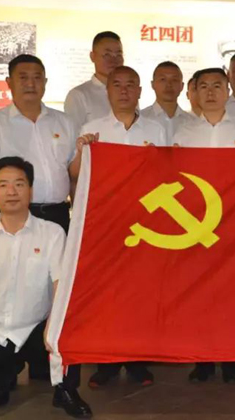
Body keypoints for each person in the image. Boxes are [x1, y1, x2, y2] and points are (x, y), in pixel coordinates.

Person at [0, 157, 91, 418]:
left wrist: (53, 328)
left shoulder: (52, 233)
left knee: (69, 332)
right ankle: (1, 378)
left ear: (30, 191)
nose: (11, 191)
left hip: (38, 328)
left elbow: (61, 286)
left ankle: (65, 390)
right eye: (3, 185)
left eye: (19, 184)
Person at [70, 65, 163, 389]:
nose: (124, 91)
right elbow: (76, 174)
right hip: (105, 222)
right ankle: (106, 362)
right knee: (106, 293)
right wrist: (82, 150)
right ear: (107, 91)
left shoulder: (156, 130)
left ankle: (137, 359)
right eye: (117, 85)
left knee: (139, 292)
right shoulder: (92, 128)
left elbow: (168, 174)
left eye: (130, 85)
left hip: (146, 223)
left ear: (140, 92)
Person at [173, 67, 235, 384]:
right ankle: (203, 358)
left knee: (233, 291)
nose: (210, 92)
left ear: (228, 91)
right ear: (194, 92)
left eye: (217, 86)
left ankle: (231, 358)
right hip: (195, 222)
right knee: (200, 291)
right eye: (204, 87)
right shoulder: (183, 133)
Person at [0, 55, 77, 231]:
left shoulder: (64, 122)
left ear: (45, 82)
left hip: (59, 214)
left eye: (37, 77)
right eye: (23, 77)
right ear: (9, 82)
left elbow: (74, 176)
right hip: (15, 216)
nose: (31, 83)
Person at [64, 31, 123, 131]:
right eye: (107, 54)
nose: (113, 60)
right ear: (92, 56)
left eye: (118, 55)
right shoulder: (79, 95)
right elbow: (72, 135)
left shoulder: (128, 93)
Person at [139, 61, 195, 138]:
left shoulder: (193, 123)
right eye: (163, 79)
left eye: (174, 80)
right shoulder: (139, 119)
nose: (169, 84)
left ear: (182, 86)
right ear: (153, 84)